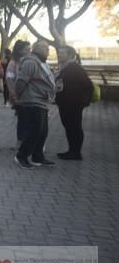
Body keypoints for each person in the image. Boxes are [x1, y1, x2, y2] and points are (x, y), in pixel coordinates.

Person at [14, 40, 56, 169]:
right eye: (46, 48)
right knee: (35, 130)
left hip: (42, 102)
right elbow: (21, 81)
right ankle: (21, 156)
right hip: (32, 101)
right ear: (37, 48)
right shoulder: (31, 62)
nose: (48, 51)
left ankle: (38, 157)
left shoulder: (42, 63)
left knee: (43, 131)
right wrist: (19, 96)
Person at [55, 45, 93, 160]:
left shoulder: (75, 68)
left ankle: (76, 152)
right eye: (59, 52)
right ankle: (71, 150)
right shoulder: (64, 67)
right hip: (65, 103)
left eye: (62, 53)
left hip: (73, 104)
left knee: (74, 127)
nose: (59, 54)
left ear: (70, 55)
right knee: (69, 126)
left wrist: (83, 101)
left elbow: (88, 85)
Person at [6, 40, 31, 148]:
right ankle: (20, 142)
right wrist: (13, 95)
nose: (30, 51)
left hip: (30, 96)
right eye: (27, 49)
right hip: (19, 97)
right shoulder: (13, 63)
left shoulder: (30, 61)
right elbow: (9, 80)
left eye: (30, 49)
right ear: (20, 51)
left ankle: (27, 141)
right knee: (22, 119)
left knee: (29, 120)